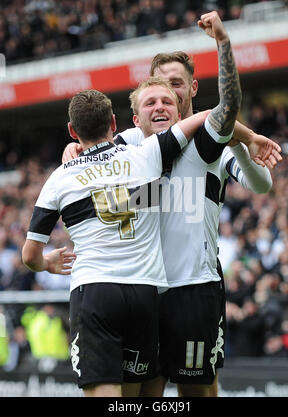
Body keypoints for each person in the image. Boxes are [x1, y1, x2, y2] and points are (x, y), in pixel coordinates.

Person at [62, 11, 282, 397]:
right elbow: (96, 161)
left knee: (198, 389)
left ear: (192, 90)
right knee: (143, 390)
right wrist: (74, 150)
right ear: (138, 108)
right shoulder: (131, 145)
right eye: (158, 90)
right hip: (143, 290)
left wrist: (244, 141)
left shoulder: (209, 145)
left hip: (194, 286)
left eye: (176, 87)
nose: (169, 96)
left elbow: (256, 175)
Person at [22, 60, 240, 397]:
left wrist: (45, 262)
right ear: (115, 122)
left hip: (95, 291)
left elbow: (30, 255)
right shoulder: (145, 157)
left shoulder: (60, 177)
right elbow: (209, 116)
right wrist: (250, 135)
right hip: (144, 294)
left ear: (71, 131)